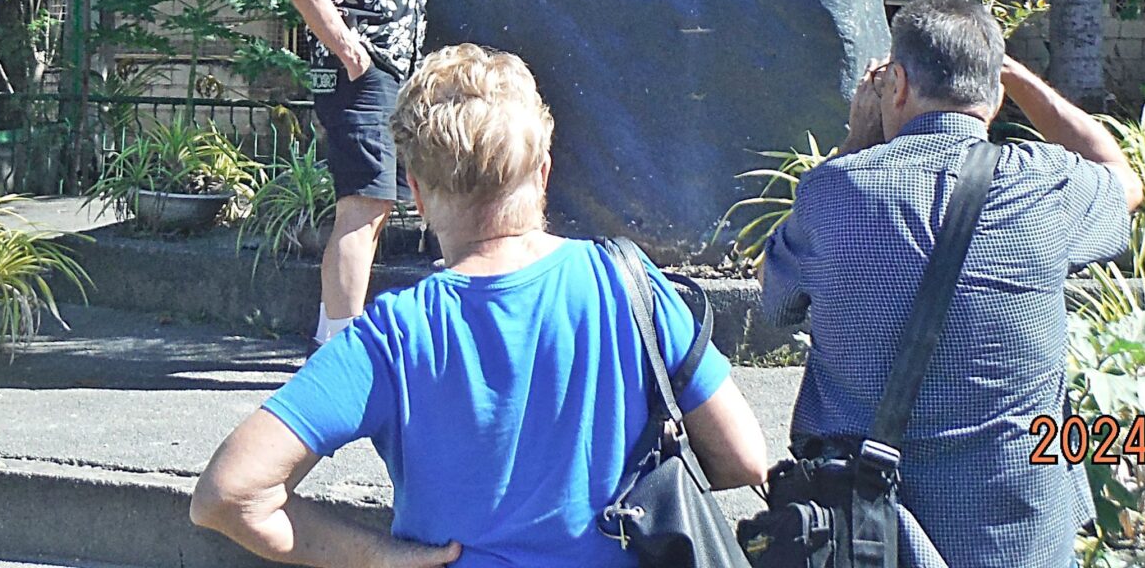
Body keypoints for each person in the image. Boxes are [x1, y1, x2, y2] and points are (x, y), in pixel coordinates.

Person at [191, 44, 771, 568]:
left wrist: (378, 556)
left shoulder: (395, 334)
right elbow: (744, 458)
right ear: (543, 173)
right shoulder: (627, 283)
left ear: (416, 193)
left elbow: (228, 495)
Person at [762, 0, 1145, 568]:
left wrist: (854, 144)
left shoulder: (833, 191)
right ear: (994, 95)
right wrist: (1018, 78)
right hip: (1017, 535)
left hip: (866, 534)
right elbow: (1124, 179)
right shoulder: (1046, 187)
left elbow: (775, 303)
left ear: (896, 84)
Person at [289, 0, 432, 346]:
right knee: (364, 205)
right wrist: (352, 55)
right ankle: (343, 350)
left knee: (375, 209)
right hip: (363, 76)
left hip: (397, 73)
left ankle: (332, 339)